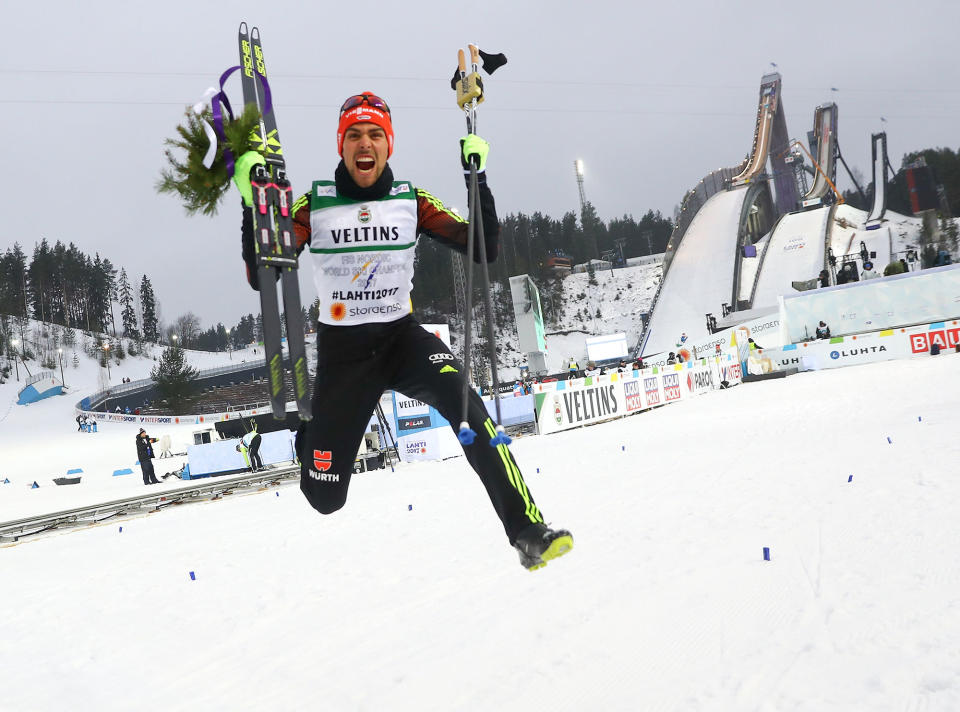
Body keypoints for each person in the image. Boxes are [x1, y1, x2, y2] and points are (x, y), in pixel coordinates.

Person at [232, 91, 572, 570]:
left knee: (465, 404)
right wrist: (254, 207)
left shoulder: (410, 200)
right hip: (344, 354)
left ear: (388, 146)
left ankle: (525, 530)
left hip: (402, 338)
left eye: (374, 135)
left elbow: (483, 247)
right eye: (354, 135)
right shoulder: (315, 204)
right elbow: (261, 274)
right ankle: (309, 438)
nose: (364, 144)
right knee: (326, 499)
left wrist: (478, 178)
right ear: (341, 145)